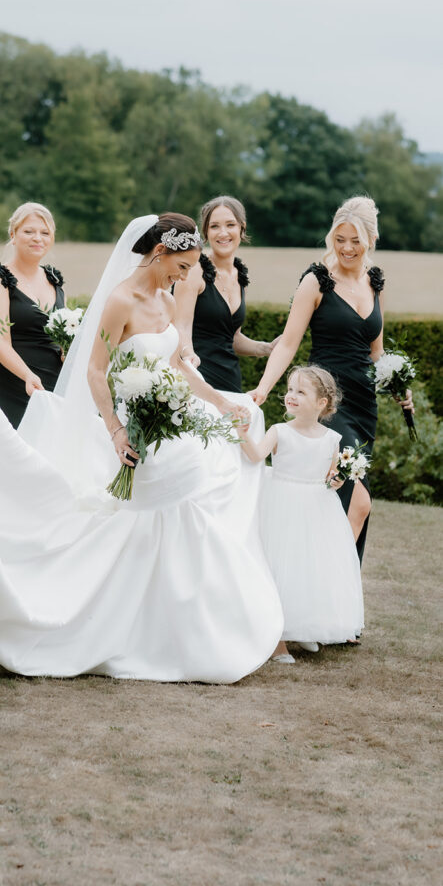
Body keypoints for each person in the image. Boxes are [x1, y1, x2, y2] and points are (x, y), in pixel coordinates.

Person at [0, 213, 284, 684]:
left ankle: (185, 621)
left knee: (184, 503)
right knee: (162, 509)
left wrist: (222, 403)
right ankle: (131, 623)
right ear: (160, 253)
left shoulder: (165, 300)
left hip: (172, 423)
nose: (185, 279)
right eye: (182, 267)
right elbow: (96, 371)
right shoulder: (120, 300)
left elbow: (178, 366)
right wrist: (117, 431)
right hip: (137, 428)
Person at [249, 196, 413, 564]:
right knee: (359, 503)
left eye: (355, 240)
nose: (347, 248)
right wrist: (263, 387)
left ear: (370, 239)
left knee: (342, 501)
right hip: (326, 402)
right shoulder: (317, 281)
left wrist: (398, 386)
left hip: (363, 406)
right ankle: (328, 585)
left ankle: (334, 606)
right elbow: (289, 342)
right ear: (331, 238)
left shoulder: (376, 282)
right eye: (340, 239)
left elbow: (375, 353)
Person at [239, 366, 364, 663]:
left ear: (322, 403)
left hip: (317, 508)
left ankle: (304, 625)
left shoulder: (332, 438)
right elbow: (256, 455)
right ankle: (277, 639)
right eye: (290, 390)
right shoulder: (279, 431)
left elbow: (331, 474)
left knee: (310, 567)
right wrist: (241, 432)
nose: (291, 396)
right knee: (281, 565)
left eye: (300, 391)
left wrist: (338, 478)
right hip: (283, 503)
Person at [0, 202, 65, 428]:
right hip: (12, 386)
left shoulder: (54, 279)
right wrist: (27, 375)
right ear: (13, 235)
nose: (37, 238)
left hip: (52, 387)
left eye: (45, 233)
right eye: (29, 231)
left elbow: (59, 335)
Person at [174, 196, 277, 391]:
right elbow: (181, 326)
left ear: (242, 228)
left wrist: (267, 348)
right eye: (214, 226)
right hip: (196, 376)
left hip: (230, 378)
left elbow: (232, 337)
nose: (223, 233)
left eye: (230, 225)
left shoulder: (240, 276)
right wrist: (189, 359)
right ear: (205, 231)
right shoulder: (194, 270)